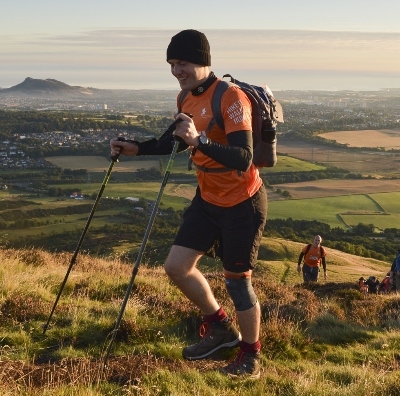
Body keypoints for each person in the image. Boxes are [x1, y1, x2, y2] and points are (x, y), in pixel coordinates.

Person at [110, 29, 267, 380]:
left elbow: (243, 157)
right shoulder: (185, 98)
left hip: (243, 203)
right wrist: (135, 147)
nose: (176, 70)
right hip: (208, 199)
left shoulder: (230, 98)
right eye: (171, 63)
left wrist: (200, 140)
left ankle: (250, 356)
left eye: (182, 62)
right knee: (176, 267)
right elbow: (174, 143)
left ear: (202, 60)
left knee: (238, 282)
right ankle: (221, 328)